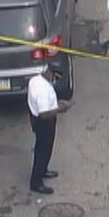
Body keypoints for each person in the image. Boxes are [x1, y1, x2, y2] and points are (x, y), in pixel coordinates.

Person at [27, 65, 70, 195]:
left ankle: (43, 170)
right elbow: (44, 114)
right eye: (55, 78)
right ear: (50, 73)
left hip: (37, 119)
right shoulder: (42, 91)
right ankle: (36, 183)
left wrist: (56, 102)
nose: (55, 81)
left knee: (45, 148)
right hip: (44, 123)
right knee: (43, 151)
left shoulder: (36, 80)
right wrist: (60, 109)